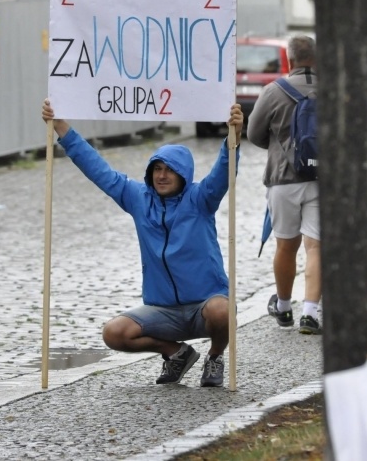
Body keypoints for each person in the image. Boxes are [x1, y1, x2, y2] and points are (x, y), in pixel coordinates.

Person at [41, 100, 243, 387]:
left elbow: (224, 172)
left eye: (169, 170)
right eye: (157, 169)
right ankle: (177, 354)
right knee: (114, 332)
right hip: (164, 311)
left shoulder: (201, 199)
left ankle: (214, 357)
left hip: (206, 305)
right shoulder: (137, 198)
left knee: (222, 312)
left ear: (183, 175)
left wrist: (233, 136)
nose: (161, 175)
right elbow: (98, 169)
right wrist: (61, 127)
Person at [246, 35, 322, 335]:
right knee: (316, 247)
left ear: (289, 60)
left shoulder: (273, 91)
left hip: (282, 180)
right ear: (316, 60)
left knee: (285, 245)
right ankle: (311, 313)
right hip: (321, 180)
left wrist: (281, 147)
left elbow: (253, 133)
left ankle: (285, 307)